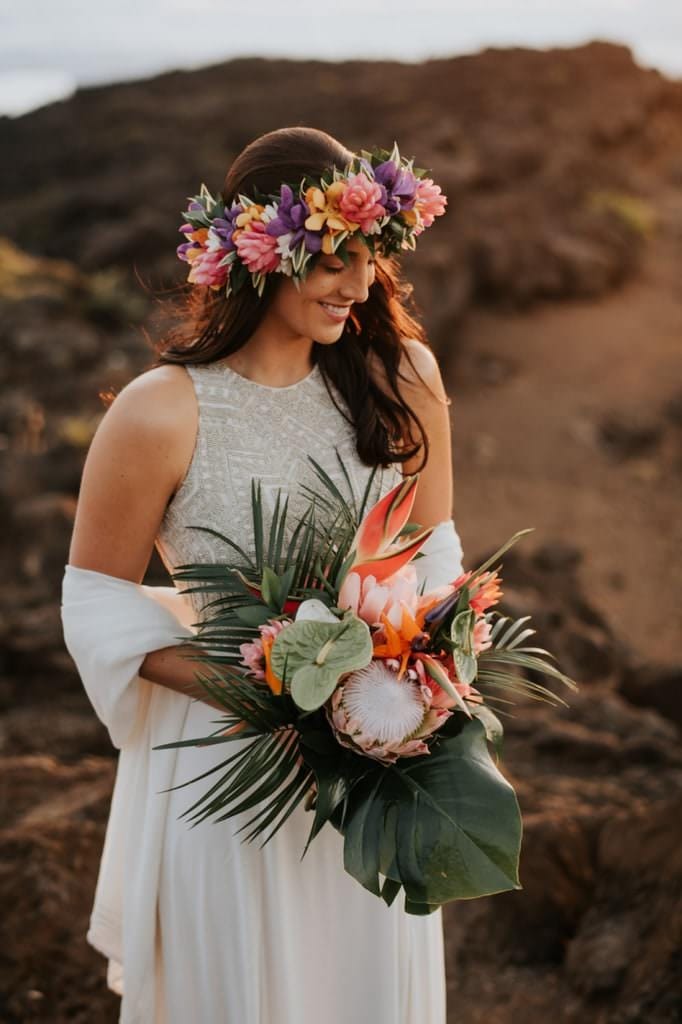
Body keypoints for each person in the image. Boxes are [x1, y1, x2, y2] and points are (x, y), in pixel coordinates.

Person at [62, 125, 464, 1023]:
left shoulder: (403, 375)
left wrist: (411, 681)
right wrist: (269, 692)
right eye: (336, 259)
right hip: (231, 787)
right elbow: (94, 600)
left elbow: (436, 550)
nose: (361, 284)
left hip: (375, 771)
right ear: (260, 257)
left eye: (374, 257)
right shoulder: (158, 411)